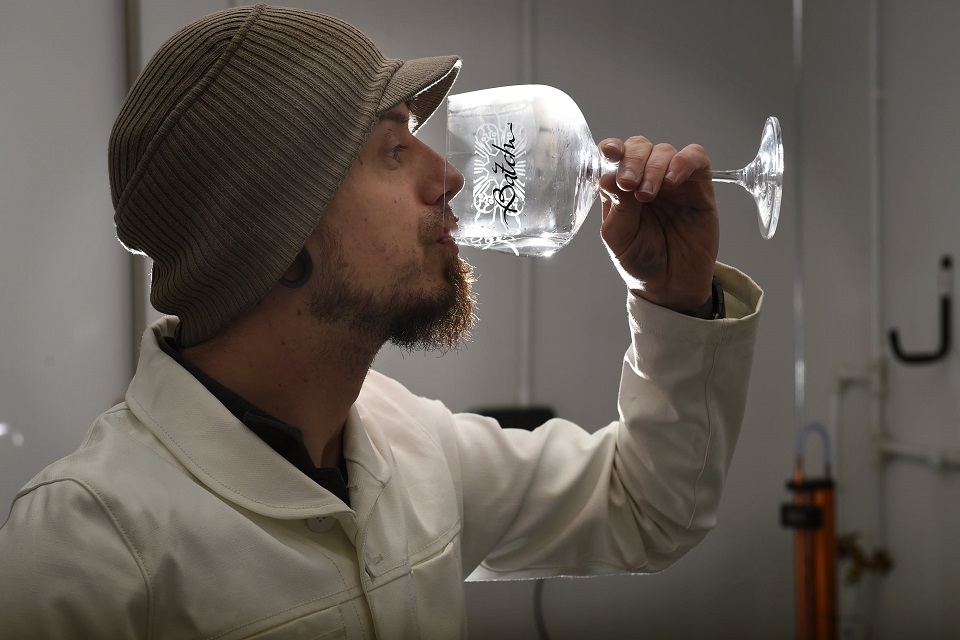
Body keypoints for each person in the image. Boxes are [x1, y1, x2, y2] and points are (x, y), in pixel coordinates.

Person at [0, 4, 763, 638]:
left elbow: (648, 510)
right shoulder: (84, 548)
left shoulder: (412, 444)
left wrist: (673, 296)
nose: (452, 175)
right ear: (275, 232)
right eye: (394, 149)